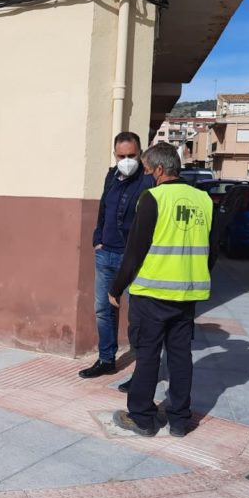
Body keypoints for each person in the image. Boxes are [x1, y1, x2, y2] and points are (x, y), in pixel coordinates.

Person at [108, 142, 214, 437]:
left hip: (152, 293)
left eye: (146, 169)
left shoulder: (153, 198)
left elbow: (135, 250)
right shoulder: (204, 200)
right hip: (187, 295)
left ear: (158, 169)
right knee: (180, 356)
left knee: (148, 355)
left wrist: (117, 287)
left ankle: (142, 417)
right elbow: (211, 250)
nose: (145, 174)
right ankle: (179, 420)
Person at [78, 132, 155, 379]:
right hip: (105, 254)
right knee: (103, 310)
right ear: (115, 155)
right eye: (121, 156)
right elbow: (104, 208)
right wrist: (97, 238)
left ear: (141, 153)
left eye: (132, 155)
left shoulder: (148, 179)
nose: (126, 160)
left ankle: (141, 373)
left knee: (138, 315)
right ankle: (106, 359)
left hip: (134, 259)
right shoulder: (112, 175)